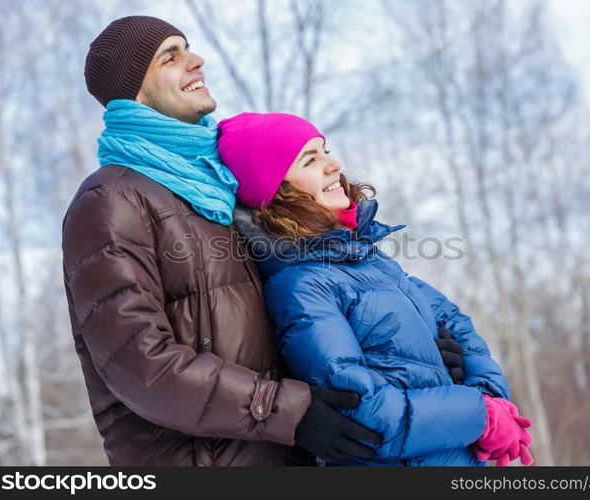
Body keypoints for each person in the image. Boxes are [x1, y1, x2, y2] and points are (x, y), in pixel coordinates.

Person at [62, 16, 466, 466]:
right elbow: (139, 365)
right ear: (134, 91)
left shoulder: (218, 190)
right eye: (170, 57)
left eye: (188, 48)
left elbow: (302, 315)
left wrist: (415, 352)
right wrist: (289, 411)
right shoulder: (112, 200)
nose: (196, 61)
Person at [219, 112, 535, 466]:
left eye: (325, 150)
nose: (333, 165)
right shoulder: (301, 285)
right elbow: (360, 410)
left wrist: (491, 397)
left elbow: (455, 321)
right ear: (276, 191)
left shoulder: (369, 260)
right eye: (310, 160)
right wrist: (481, 417)